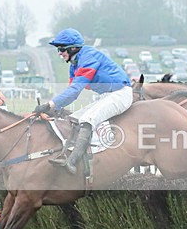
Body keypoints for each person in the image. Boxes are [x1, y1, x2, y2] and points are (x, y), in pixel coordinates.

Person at [32, 28, 132, 174]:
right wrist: (55, 108)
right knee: (73, 119)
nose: (59, 53)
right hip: (107, 95)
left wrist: (49, 105)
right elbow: (71, 94)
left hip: (121, 93)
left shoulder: (89, 57)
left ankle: (72, 162)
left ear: (73, 48)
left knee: (87, 119)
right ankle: (65, 155)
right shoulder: (74, 65)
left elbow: (74, 90)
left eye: (61, 49)